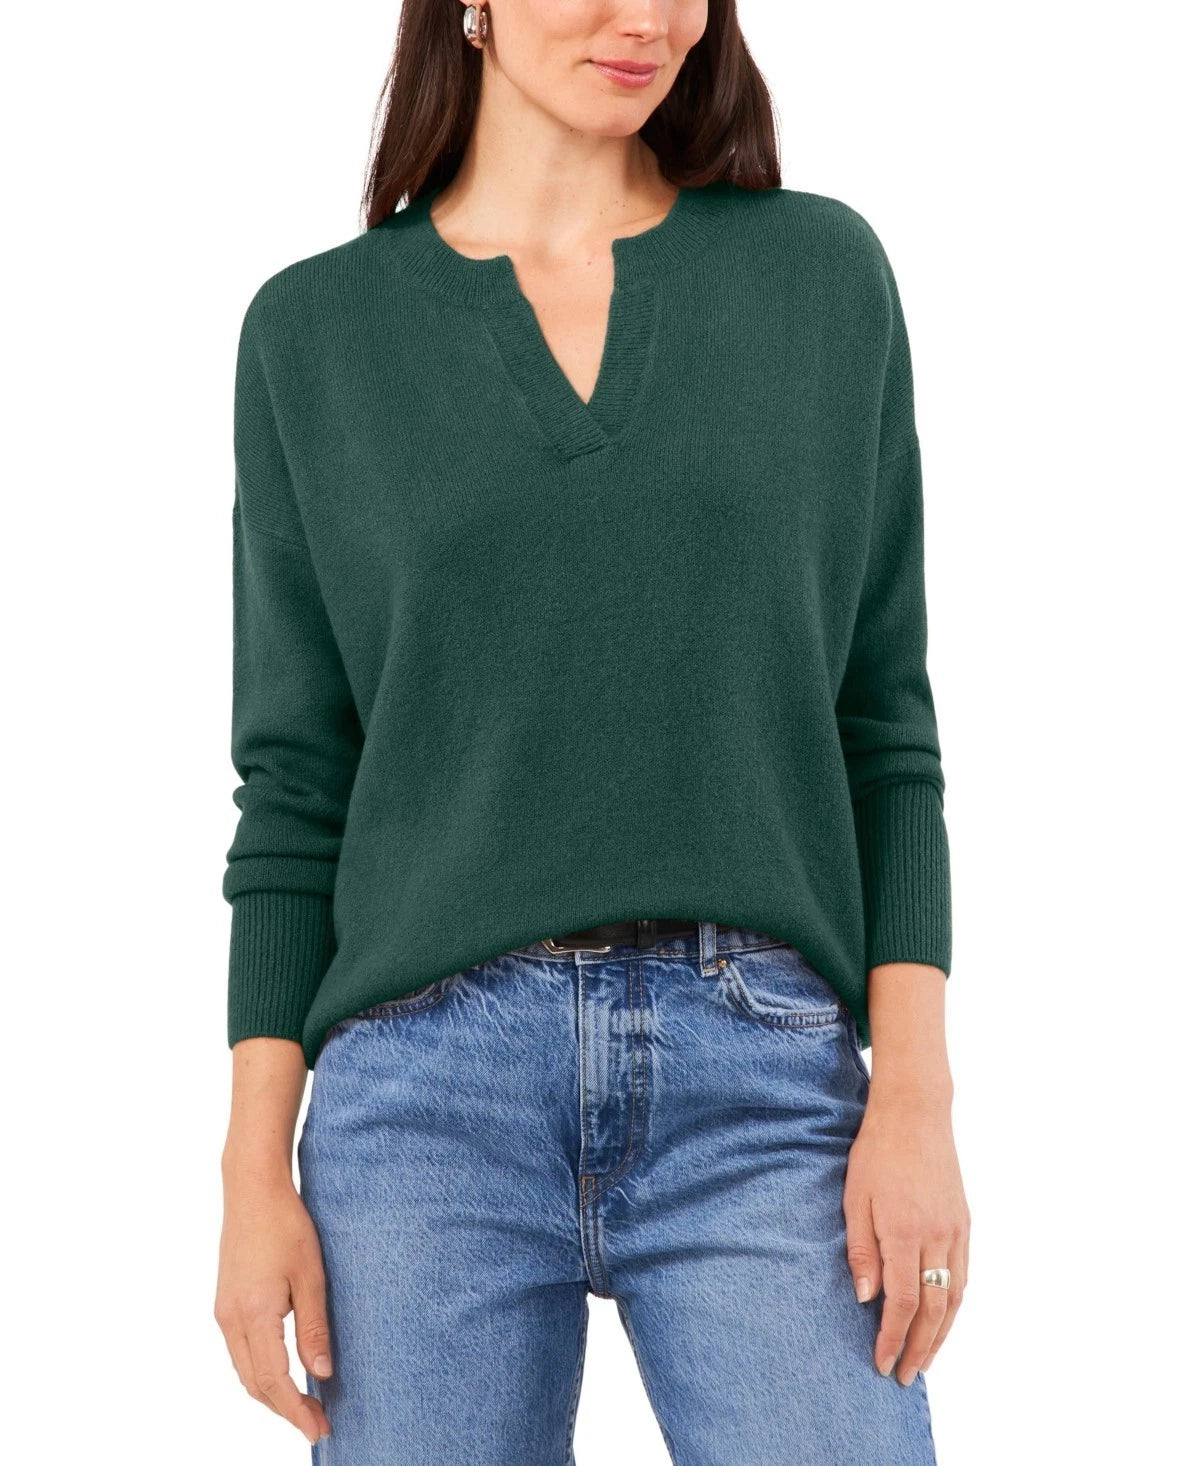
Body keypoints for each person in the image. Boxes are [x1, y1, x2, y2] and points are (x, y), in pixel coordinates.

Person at [213, 2, 970, 1461]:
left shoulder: (818, 281)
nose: (650, 18)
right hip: (421, 1099)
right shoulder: (314, 335)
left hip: (765, 1078)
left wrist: (918, 1099)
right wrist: (254, 1171)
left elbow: (884, 721)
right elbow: (298, 786)